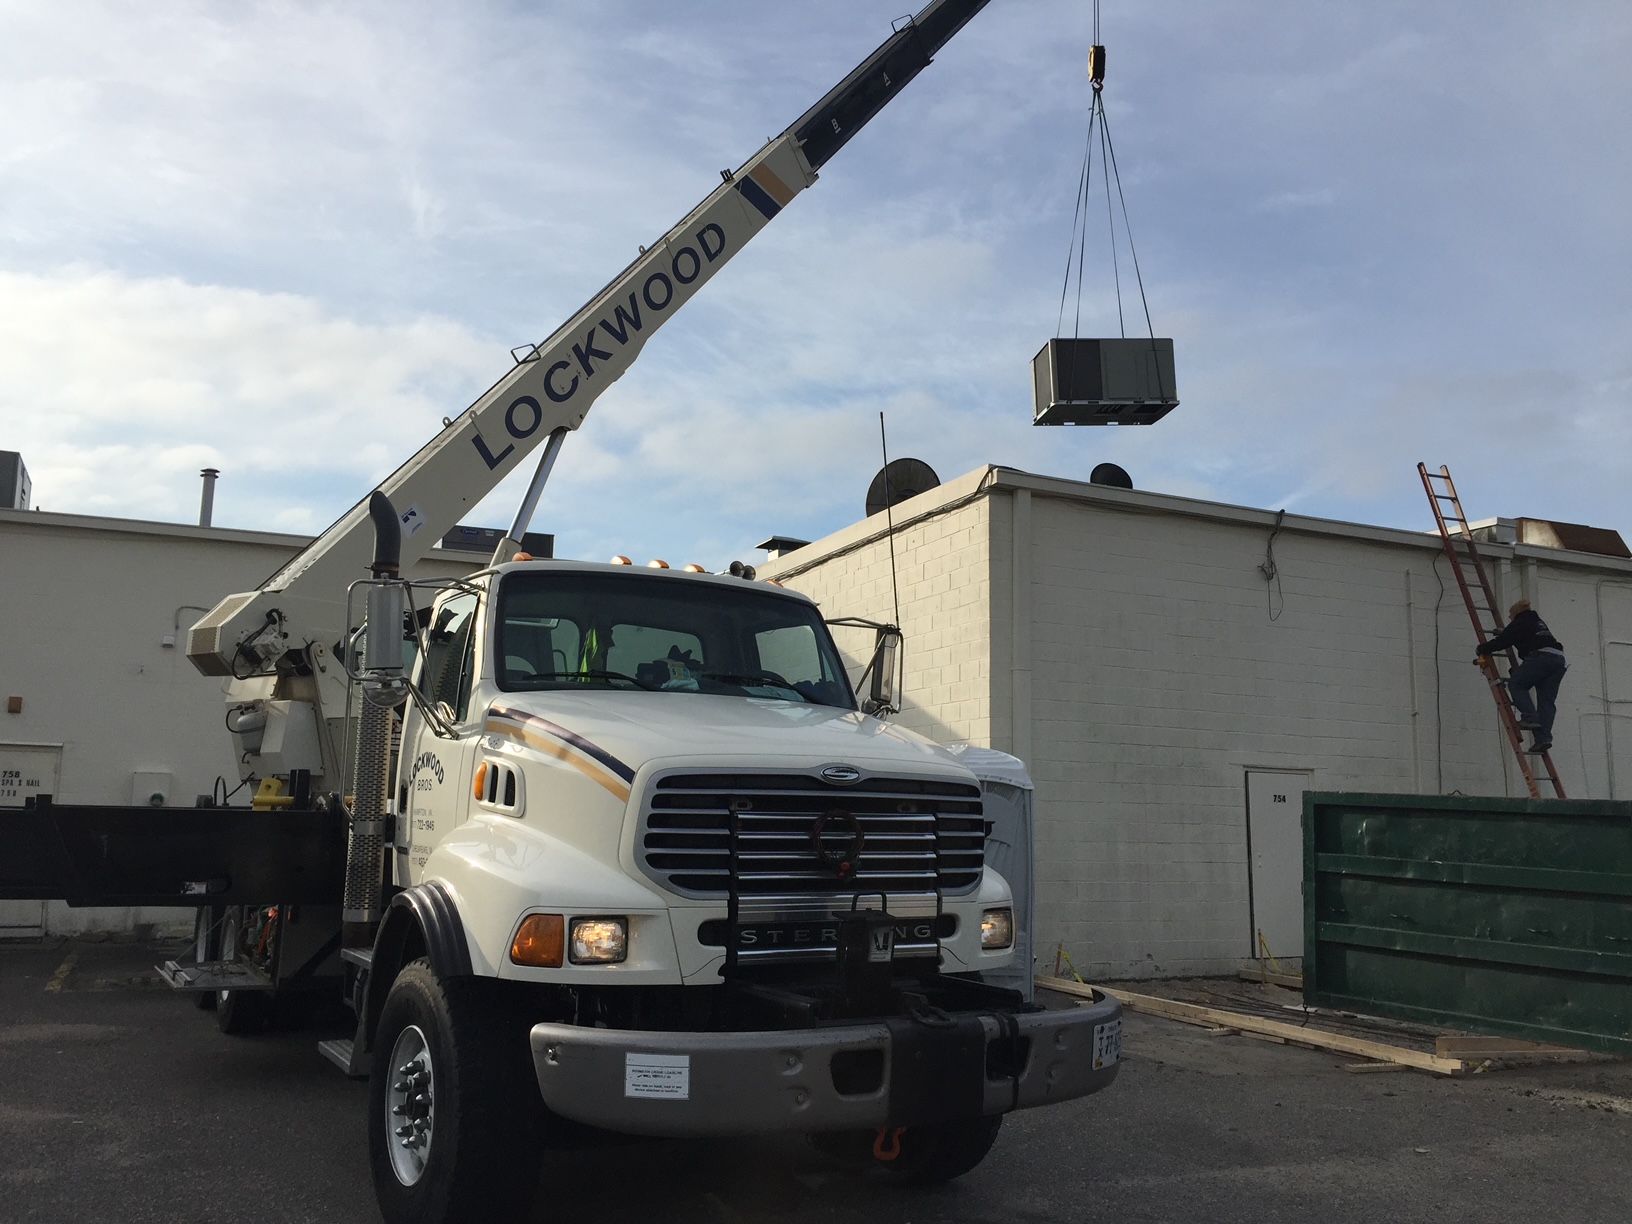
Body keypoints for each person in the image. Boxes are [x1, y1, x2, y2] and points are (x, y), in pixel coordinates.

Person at [1475, 599, 1567, 753]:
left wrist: (1482, 648)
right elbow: (1518, 634)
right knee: (1546, 701)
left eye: (1510, 615)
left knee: (1517, 684)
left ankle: (1529, 717)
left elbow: (1504, 641)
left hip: (1541, 657)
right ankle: (1544, 738)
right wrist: (1505, 632)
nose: (1509, 618)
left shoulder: (1520, 621)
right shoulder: (1537, 621)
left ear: (1516, 613)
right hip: (1558, 660)